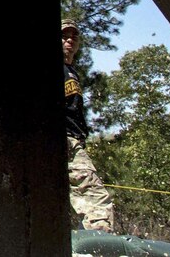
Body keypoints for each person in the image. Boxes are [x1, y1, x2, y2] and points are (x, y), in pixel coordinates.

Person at [62, 19, 115, 231]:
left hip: (74, 139)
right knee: (97, 201)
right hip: (66, 141)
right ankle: (102, 247)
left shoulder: (71, 71)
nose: (69, 40)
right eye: (64, 35)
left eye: (74, 36)